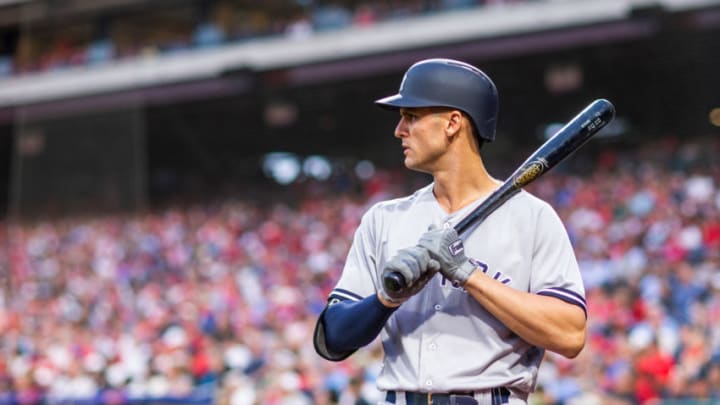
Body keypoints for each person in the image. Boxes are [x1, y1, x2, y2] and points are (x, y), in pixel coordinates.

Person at [313, 58, 588, 405]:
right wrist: (387, 299)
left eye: (411, 117)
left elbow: (570, 334)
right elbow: (332, 337)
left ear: (453, 123)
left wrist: (467, 275)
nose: (399, 130)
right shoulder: (384, 218)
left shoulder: (531, 217)